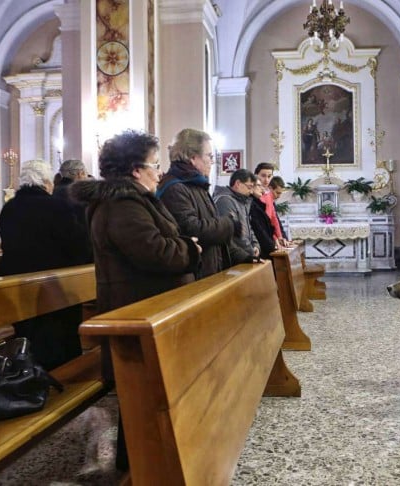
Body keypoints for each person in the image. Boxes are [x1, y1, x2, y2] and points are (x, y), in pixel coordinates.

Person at [71, 129, 202, 472]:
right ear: (134, 169)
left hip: (147, 310)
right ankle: (142, 469)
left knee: (148, 399)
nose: (159, 172)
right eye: (154, 165)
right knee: (140, 399)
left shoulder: (134, 200)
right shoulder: (122, 204)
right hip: (136, 313)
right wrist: (191, 248)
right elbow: (156, 253)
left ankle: (152, 463)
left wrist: (183, 245)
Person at [0, 160, 92, 371]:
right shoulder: (58, 206)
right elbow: (78, 244)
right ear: (46, 182)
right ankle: (63, 375)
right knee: (57, 338)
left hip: (19, 284)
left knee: (28, 337)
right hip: (55, 286)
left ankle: (25, 373)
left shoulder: (9, 208)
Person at [157, 128, 234, 278]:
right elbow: (191, 229)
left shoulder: (196, 185)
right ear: (193, 158)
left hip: (207, 270)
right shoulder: (175, 188)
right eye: (209, 156)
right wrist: (228, 224)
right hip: (194, 274)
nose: (212, 162)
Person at [214, 169, 260, 264]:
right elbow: (234, 234)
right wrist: (250, 251)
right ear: (238, 183)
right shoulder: (225, 201)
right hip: (234, 257)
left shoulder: (243, 201)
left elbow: (248, 227)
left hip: (246, 254)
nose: (251, 192)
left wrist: (256, 245)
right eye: (249, 187)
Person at [53, 159, 93, 261]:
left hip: (57, 247)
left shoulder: (53, 191)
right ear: (80, 173)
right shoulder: (80, 193)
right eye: (86, 174)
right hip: (80, 247)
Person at [255, 162, 292, 248]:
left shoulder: (268, 195)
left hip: (271, 238)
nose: (266, 180)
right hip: (261, 240)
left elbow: (274, 219)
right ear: (256, 175)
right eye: (263, 176)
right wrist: (275, 238)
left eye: (269, 176)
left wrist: (280, 237)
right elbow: (261, 224)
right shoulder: (254, 196)